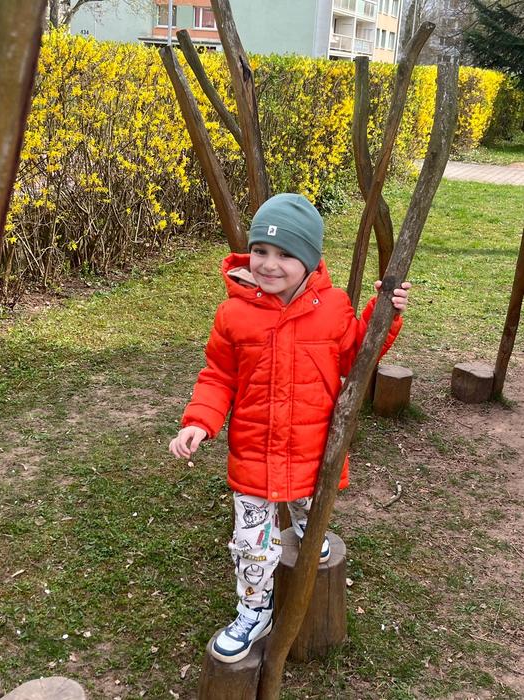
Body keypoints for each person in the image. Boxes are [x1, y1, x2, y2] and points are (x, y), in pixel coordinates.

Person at [169, 193, 410, 663]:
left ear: (310, 260)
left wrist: (384, 314)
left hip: (310, 448)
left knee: (308, 504)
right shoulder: (234, 314)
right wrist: (199, 421)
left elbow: (355, 356)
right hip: (254, 455)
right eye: (261, 250)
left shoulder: (332, 308)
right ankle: (254, 611)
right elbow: (218, 376)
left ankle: (307, 528)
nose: (269, 264)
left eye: (285, 254)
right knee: (253, 548)